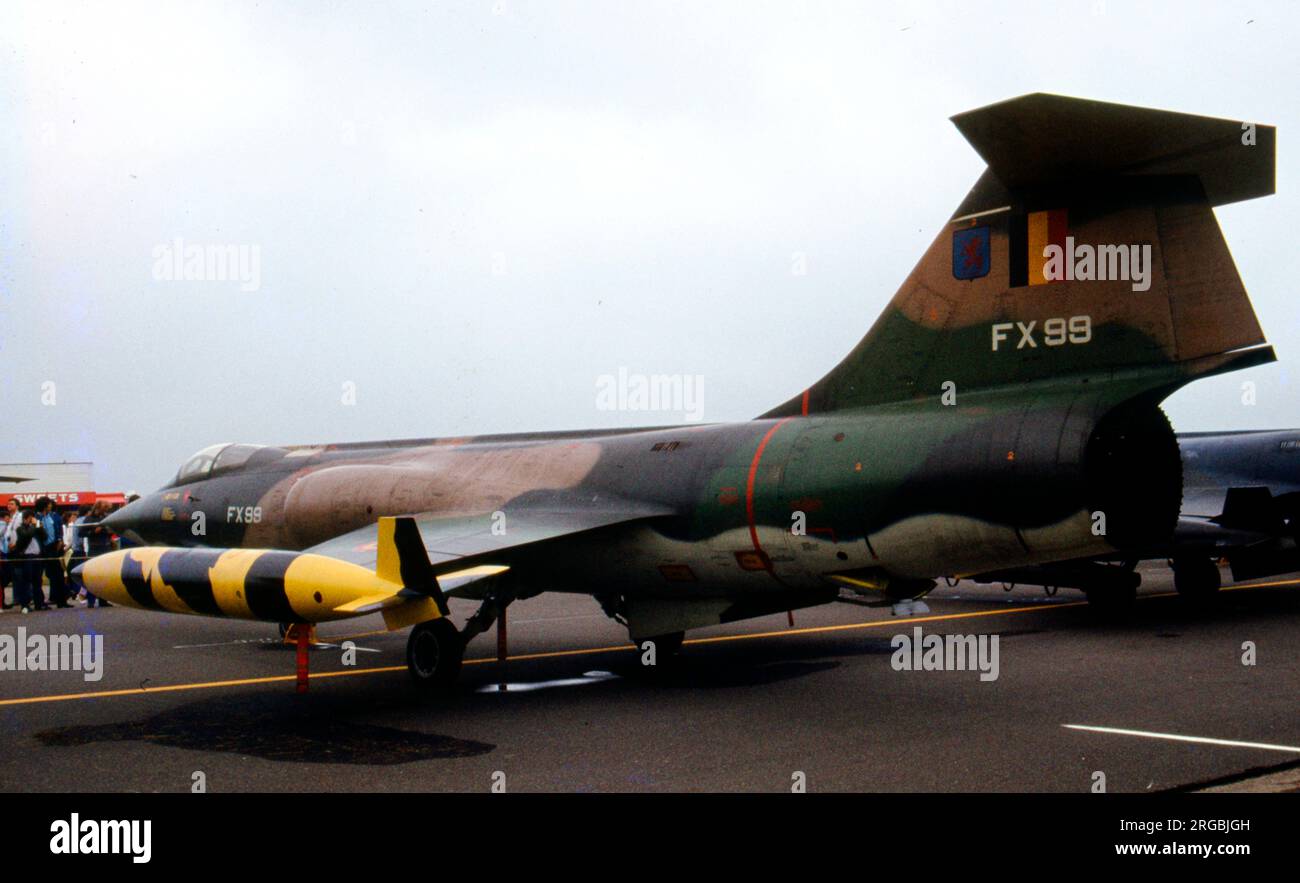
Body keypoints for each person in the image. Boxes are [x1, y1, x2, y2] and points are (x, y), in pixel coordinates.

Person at [35, 497, 70, 609]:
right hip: (42, 548)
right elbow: (37, 532)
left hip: (54, 547)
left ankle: (61, 601)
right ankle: (40, 602)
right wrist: (38, 526)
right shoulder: (37, 517)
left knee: (59, 575)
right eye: (48, 504)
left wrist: (60, 539)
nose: (50, 506)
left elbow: (59, 529)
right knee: (40, 575)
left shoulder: (54, 516)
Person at [80, 500, 115, 607]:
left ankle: (103, 600)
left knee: (105, 575)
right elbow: (81, 533)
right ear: (98, 508)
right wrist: (93, 532)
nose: (105, 511)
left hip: (106, 547)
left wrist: (109, 532)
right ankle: (91, 600)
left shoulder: (106, 517)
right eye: (104, 509)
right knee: (93, 575)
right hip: (95, 548)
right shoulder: (89, 519)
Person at [13, 509, 43, 614]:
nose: (33, 520)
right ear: (27, 518)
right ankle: (25, 604)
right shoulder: (20, 529)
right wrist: (34, 526)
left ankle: (39, 604)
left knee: (38, 581)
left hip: (37, 556)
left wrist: (39, 526)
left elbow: (44, 536)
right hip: (26, 557)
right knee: (26, 581)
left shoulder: (34, 528)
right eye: (31, 518)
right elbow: (26, 536)